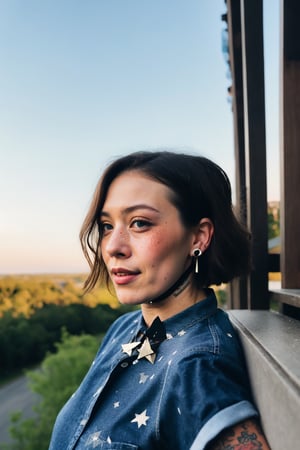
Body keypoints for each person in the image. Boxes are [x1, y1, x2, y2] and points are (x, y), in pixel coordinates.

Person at [49, 150, 270, 450]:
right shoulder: (124, 328)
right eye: (107, 226)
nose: (113, 246)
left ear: (198, 238)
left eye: (140, 223)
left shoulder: (198, 366)